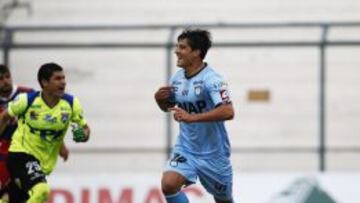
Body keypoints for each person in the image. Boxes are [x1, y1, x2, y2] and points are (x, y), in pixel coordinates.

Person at [154, 29, 235, 203]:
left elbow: (228, 111)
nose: (176, 51)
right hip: (186, 149)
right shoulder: (177, 78)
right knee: (168, 184)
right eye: (177, 46)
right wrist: (160, 100)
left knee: (223, 200)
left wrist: (193, 118)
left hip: (214, 154)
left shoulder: (213, 80)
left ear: (197, 52)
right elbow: (169, 107)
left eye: (182, 47)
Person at [0, 62, 90, 203]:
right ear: (44, 82)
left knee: (11, 199)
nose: (63, 82)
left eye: (63, 78)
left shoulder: (71, 104)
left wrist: (82, 136)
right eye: (57, 79)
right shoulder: (27, 100)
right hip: (20, 154)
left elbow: (84, 129)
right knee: (42, 191)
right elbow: (5, 116)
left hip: (43, 164)